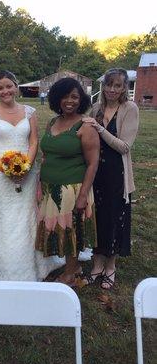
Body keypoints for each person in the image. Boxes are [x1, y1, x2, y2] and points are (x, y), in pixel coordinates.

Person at [0, 70, 59, 281]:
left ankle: (31, 266)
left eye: (9, 86)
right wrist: (5, 167)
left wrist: (26, 166)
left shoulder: (29, 112)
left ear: (16, 87)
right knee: (2, 217)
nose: (5, 91)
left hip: (27, 172)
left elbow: (34, 141)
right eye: (0, 88)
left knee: (27, 216)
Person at [35, 77, 100, 287]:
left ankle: (70, 275)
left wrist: (83, 195)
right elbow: (46, 155)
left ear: (81, 99)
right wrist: (40, 181)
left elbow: (92, 164)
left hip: (72, 189)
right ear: (57, 98)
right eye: (65, 96)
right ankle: (74, 267)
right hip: (49, 188)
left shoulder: (85, 126)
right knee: (60, 229)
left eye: (74, 96)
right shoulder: (53, 122)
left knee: (71, 231)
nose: (69, 101)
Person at [82, 68, 139, 289]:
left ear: (124, 88)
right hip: (97, 173)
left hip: (118, 174)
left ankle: (110, 266)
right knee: (97, 218)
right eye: (108, 84)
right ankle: (97, 264)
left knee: (115, 219)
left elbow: (124, 146)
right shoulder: (97, 107)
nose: (112, 89)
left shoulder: (129, 109)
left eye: (117, 85)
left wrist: (99, 129)